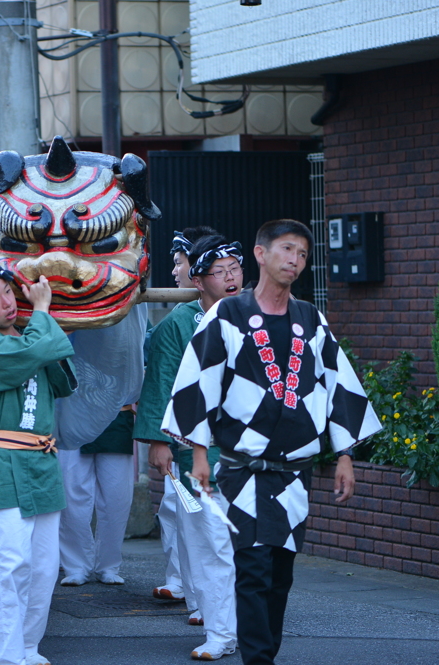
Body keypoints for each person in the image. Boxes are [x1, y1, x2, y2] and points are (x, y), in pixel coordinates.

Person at [163, 219, 382, 665]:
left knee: (280, 574)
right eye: (286, 250)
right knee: (253, 568)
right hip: (243, 468)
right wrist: (200, 454)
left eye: (302, 254)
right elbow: (198, 382)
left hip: (294, 474)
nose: (295, 261)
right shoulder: (227, 315)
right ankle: (258, 660)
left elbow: (339, 384)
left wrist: (344, 455)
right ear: (261, 255)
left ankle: (266, 653)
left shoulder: (310, 318)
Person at [0, 259, 77, 665]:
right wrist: (42, 311)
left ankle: (28, 646)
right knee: (8, 566)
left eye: (9, 291)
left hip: (42, 461)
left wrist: (43, 325)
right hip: (1, 462)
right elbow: (38, 350)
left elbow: (63, 380)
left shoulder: (27, 337)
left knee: (43, 567)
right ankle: (7, 657)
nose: (7, 302)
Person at [142, 233, 245, 661]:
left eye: (236, 269)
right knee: (201, 541)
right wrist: (156, 441)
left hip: (248, 455)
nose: (231, 278)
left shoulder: (257, 318)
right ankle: (217, 624)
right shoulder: (175, 326)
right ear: (198, 282)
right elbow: (160, 382)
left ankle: (237, 621)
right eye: (219, 272)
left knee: (244, 546)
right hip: (191, 455)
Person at [147, 226, 216, 603]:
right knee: (180, 510)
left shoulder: (241, 315)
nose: (174, 272)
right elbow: (159, 377)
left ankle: (206, 597)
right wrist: (160, 438)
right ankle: (187, 588)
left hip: (224, 437)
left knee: (201, 518)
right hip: (186, 434)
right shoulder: (178, 319)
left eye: (179, 262)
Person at [57, 407, 135, 587]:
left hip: (116, 418)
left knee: (117, 497)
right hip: (73, 416)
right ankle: (75, 566)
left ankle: (109, 565)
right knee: (71, 495)